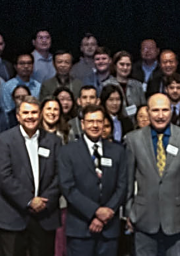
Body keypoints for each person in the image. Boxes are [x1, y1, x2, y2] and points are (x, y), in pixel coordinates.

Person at [125, 93, 180, 256]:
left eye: (164, 110)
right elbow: (127, 180)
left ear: (171, 111)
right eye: (155, 110)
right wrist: (128, 213)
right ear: (147, 112)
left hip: (178, 219)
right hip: (143, 219)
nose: (160, 116)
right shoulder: (133, 140)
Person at [59, 104, 132, 256]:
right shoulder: (68, 152)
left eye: (99, 121)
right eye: (91, 121)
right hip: (80, 228)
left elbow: (122, 185)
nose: (95, 125)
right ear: (82, 124)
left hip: (109, 228)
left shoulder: (117, 151)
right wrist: (95, 212)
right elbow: (68, 188)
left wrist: (106, 213)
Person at [0, 95, 62, 256]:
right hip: (13, 216)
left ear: (40, 115)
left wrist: (45, 201)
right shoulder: (5, 140)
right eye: (25, 113)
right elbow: (4, 177)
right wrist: (30, 201)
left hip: (45, 216)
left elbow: (61, 175)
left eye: (34, 112)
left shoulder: (54, 141)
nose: (30, 116)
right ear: (18, 116)